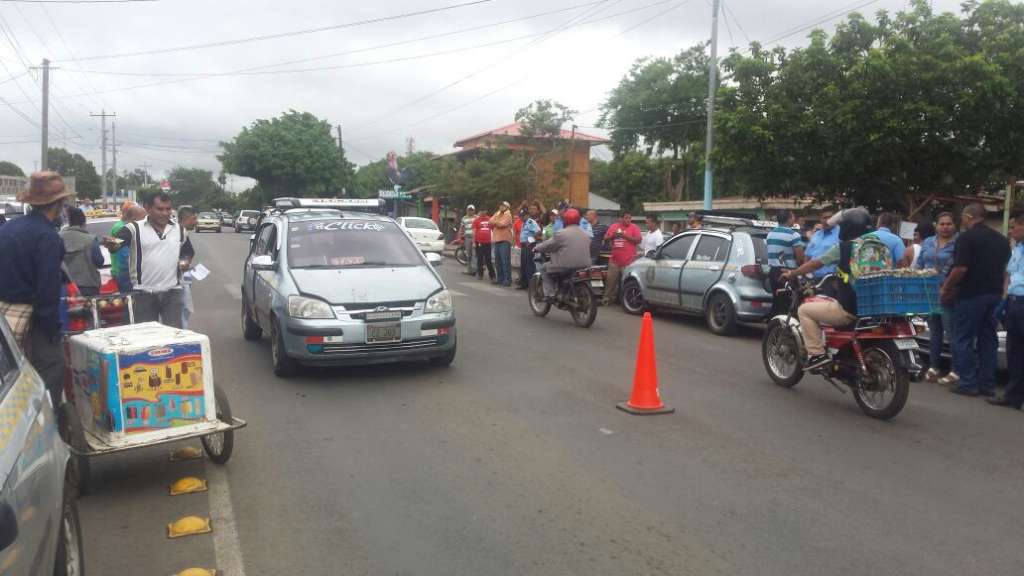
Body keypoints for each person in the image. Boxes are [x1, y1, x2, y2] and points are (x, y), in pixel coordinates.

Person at [781, 208, 892, 369]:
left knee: (804, 310)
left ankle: (816, 354)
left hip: (851, 309)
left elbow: (814, 263)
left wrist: (792, 273)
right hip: (876, 308)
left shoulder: (845, 248)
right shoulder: (881, 247)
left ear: (847, 227)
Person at [0, 172, 73, 404]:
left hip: (4, 317)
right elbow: (47, 293)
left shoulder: (10, 228)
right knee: (53, 365)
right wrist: (52, 331)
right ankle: (46, 421)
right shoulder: (47, 236)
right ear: (60, 203)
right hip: (31, 316)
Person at [941, 203, 1011, 397]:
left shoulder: (966, 238)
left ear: (969, 216)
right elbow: (1006, 269)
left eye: (963, 217)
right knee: (988, 338)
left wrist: (946, 287)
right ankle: (986, 384)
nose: (961, 221)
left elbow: (960, 268)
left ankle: (968, 382)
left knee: (962, 338)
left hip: (971, 294)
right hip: (994, 295)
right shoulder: (1001, 240)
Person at [106, 192, 195, 328]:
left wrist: (185, 261)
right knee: (146, 335)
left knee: (174, 335)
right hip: (143, 293)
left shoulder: (179, 229)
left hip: (173, 292)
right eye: (160, 209)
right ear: (147, 208)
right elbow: (115, 245)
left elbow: (188, 252)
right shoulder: (133, 229)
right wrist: (112, 243)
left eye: (168, 209)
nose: (165, 213)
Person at [914, 213, 958, 384]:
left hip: (948, 293)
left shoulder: (958, 243)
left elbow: (954, 266)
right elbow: (920, 263)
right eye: (942, 224)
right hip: (928, 292)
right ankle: (934, 367)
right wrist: (915, 278)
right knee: (935, 332)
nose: (945, 227)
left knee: (951, 332)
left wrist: (944, 285)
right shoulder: (928, 242)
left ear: (954, 225)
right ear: (936, 225)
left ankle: (955, 370)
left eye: (949, 223)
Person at [988, 213, 1024, 409]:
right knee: (1015, 351)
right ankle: (1013, 396)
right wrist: (1004, 299)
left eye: (1014, 227)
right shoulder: (1017, 248)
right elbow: (1009, 275)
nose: (1011, 231)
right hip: (1014, 302)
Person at [533, 208, 593, 301]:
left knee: (543, 268)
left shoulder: (561, 233)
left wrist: (536, 248)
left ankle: (550, 294)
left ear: (565, 220)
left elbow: (548, 244)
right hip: (584, 265)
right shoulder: (585, 234)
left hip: (565, 265)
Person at [60, 207, 105, 296]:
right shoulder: (90, 239)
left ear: (69, 222)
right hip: (88, 286)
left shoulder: (58, 238)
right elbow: (99, 262)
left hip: (67, 287)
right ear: (83, 222)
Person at [602, 211, 642, 306]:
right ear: (621, 218)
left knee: (626, 283)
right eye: (626, 217)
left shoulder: (634, 227)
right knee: (610, 282)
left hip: (628, 261)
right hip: (614, 260)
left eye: (629, 218)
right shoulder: (614, 226)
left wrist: (625, 236)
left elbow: (638, 240)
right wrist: (613, 236)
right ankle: (607, 299)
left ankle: (625, 301)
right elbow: (605, 238)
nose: (628, 220)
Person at [766, 209, 805, 292]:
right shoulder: (794, 235)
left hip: (773, 271)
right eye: (793, 217)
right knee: (790, 300)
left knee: (777, 299)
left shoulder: (770, 234)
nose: (794, 219)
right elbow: (800, 259)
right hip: (787, 272)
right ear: (789, 219)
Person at [110, 201, 146, 292]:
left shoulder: (131, 227)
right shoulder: (124, 229)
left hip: (128, 272)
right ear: (133, 217)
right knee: (131, 302)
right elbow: (126, 255)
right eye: (143, 218)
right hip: (127, 273)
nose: (145, 220)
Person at [177, 206, 198, 328]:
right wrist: (182, 264)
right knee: (183, 308)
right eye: (193, 218)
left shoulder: (183, 232)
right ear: (185, 218)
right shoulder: (178, 232)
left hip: (185, 276)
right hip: (178, 278)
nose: (196, 222)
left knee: (185, 309)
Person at [805, 208, 840, 279]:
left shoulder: (841, 234)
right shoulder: (815, 235)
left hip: (832, 279)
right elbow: (807, 256)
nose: (827, 220)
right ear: (820, 219)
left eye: (830, 217)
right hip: (812, 279)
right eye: (824, 218)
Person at [518, 201, 543, 290]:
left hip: (529, 246)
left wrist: (531, 240)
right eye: (521, 216)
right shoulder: (524, 223)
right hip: (524, 246)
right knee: (523, 265)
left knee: (529, 265)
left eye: (524, 215)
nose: (522, 217)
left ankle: (531, 285)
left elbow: (538, 231)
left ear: (527, 215)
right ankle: (523, 283)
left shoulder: (530, 222)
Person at [490, 202, 514, 287]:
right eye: (500, 205)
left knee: (505, 261)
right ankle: (500, 279)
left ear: (507, 207)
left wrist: (495, 222)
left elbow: (501, 224)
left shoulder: (508, 215)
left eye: (503, 205)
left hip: (505, 240)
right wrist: (497, 221)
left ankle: (507, 279)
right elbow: (490, 221)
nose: (501, 207)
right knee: (497, 261)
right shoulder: (497, 213)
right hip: (497, 240)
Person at [472, 208, 495, 281]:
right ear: (480, 211)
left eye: (484, 210)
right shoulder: (476, 220)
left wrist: (493, 239)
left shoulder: (490, 219)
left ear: (486, 211)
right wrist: (473, 242)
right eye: (481, 210)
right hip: (479, 242)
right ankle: (480, 274)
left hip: (488, 242)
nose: (483, 212)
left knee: (488, 259)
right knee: (480, 259)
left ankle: (492, 275)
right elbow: (474, 231)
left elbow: (493, 229)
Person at [460, 205, 477, 276]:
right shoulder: (464, 218)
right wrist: (461, 236)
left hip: (475, 238)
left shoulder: (476, 218)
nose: (470, 211)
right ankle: (469, 270)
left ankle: (474, 270)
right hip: (467, 237)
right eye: (469, 210)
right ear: (467, 210)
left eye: (472, 210)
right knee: (468, 254)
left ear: (474, 210)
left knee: (475, 254)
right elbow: (462, 228)